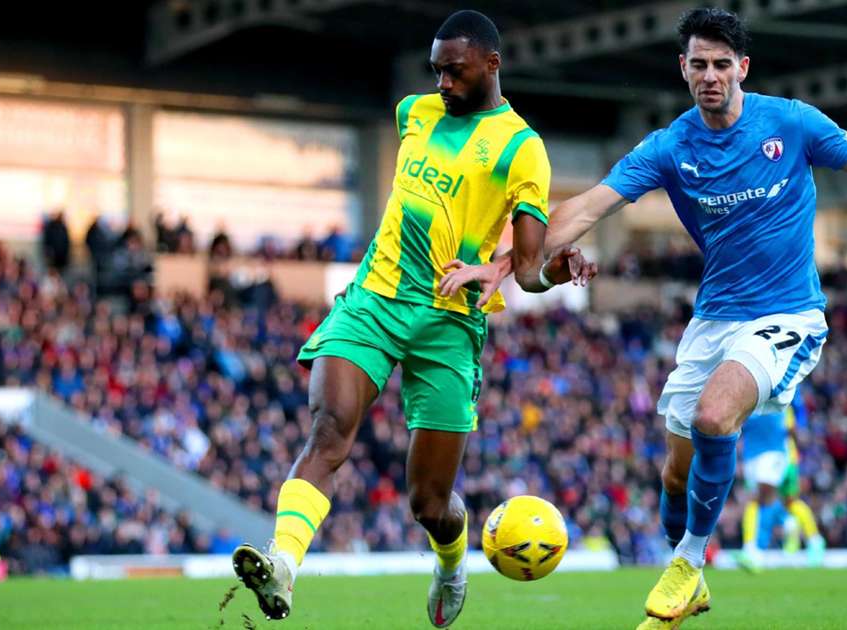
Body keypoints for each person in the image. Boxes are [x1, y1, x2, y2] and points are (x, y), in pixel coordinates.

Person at [439, 7, 847, 628]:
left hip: (787, 313)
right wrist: (504, 263)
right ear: (682, 70)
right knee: (674, 482)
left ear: (742, 68)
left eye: (721, 64)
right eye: (698, 64)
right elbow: (586, 209)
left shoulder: (791, 123)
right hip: (712, 321)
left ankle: (689, 562)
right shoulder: (670, 146)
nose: (710, 75)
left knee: (715, 417)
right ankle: (688, 558)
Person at [230, 10, 592, 627]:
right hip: (374, 298)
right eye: (436, 72)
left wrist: (556, 269)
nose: (442, 84)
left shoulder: (522, 149)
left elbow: (529, 270)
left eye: (454, 72)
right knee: (328, 429)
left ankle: (451, 558)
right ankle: (283, 566)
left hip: (450, 325)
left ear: (491, 65)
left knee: (428, 503)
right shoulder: (412, 114)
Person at [737, 395, 825, 572]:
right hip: (760, 456)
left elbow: (792, 429)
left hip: (783, 458)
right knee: (786, 502)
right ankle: (813, 540)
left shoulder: (782, 399)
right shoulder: (750, 397)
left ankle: (753, 550)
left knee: (760, 500)